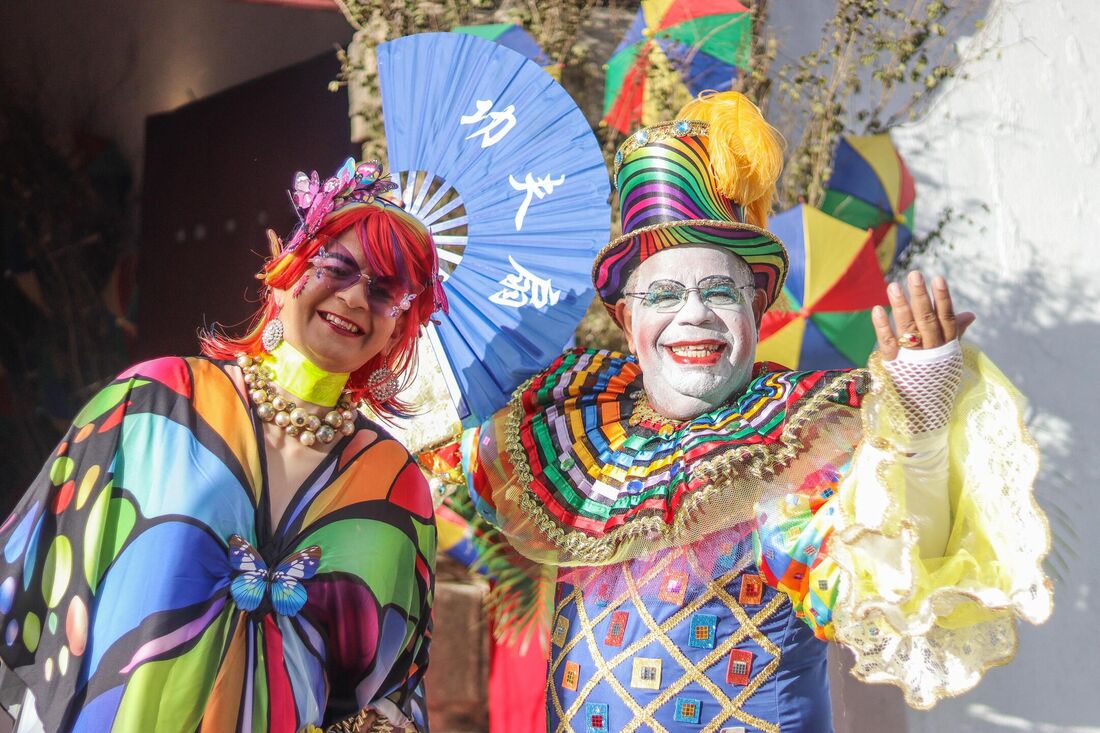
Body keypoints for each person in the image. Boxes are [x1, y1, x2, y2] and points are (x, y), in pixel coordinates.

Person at [462, 92, 1051, 732]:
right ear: (626, 321)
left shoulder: (803, 441)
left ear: (755, 311)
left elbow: (895, 580)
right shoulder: (575, 435)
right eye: (663, 294)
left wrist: (920, 423)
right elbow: (434, 438)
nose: (693, 315)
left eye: (720, 291)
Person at [0, 158, 444, 732]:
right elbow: (25, 581)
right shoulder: (154, 404)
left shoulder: (395, 485)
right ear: (288, 276)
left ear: (398, 325)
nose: (357, 299)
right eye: (338, 267)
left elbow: (393, 692)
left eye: (387, 291)